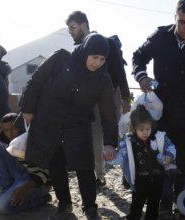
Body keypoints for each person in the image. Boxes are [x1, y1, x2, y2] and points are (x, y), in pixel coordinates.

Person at [132, 0, 185, 218]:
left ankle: (182, 202)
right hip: (162, 113)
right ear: (174, 17)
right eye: (182, 22)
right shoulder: (160, 37)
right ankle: (163, 204)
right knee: (162, 159)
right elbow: (138, 57)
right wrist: (141, 76)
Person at [21, 33, 118, 220]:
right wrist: (28, 108)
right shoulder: (60, 59)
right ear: (85, 51)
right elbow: (36, 81)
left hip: (78, 125)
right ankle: (64, 204)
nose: (97, 62)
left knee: (85, 166)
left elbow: (109, 114)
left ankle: (90, 207)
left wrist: (110, 142)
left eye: (102, 59)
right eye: (94, 57)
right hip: (50, 121)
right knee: (55, 164)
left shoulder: (102, 79)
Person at [65, 11, 131, 187]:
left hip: (112, 95)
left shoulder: (107, 43)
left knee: (116, 132)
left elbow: (119, 70)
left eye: (73, 27)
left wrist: (125, 97)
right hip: (90, 98)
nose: (70, 32)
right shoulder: (77, 51)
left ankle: (128, 173)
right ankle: (99, 175)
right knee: (94, 135)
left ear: (84, 25)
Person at [108, 105, 176, 220]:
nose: (145, 132)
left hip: (158, 179)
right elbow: (120, 157)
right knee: (136, 206)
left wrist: (169, 156)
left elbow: (171, 147)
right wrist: (110, 158)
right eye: (141, 129)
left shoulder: (159, 137)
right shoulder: (129, 142)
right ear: (134, 129)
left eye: (148, 129)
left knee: (153, 207)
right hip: (139, 181)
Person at [0, 113, 51, 214]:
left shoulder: (34, 141)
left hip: (37, 184)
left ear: (20, 126)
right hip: (20, 178)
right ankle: (7, 190)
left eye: (13, 128)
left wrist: (24, 190)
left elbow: (46, 173)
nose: (10, 134)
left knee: (1, 206)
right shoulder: (13, 145)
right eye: (6, 130)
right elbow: (13, 168)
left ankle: (43, 199)